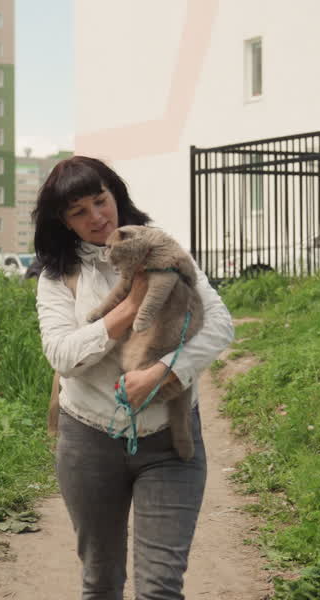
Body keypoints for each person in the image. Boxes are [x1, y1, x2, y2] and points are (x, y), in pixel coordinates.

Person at [33, 156, 235, 600]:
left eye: (100, 201)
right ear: (63, 222)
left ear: (115, 196)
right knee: (101, 583)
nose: (97, 217)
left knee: (161, 588)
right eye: (78, 212)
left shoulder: (163, 249)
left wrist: (166, 372)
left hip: (170, 441)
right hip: (89, 441)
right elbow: (63, 355)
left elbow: (220, 324)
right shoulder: (57, 277)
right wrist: (130, 306)